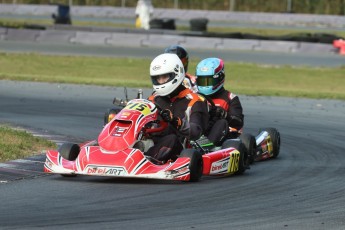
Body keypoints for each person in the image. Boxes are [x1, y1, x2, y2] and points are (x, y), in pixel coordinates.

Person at [145, 53, 209, 163]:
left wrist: (176, 121)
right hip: (153, 143)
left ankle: (145, 161)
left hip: (181, 149)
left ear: (177, 73)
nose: (161, 81)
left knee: (171, 138)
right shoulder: (153, 99)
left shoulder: (195, 101)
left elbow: (196, 132)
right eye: (157, 78)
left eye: (164, 77)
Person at [195, 57, 244, 146]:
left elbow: (239, 122)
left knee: (222, 122)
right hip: (199, 133)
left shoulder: (230, 98)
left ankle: (206, 147)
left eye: (209, 81)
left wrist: (224, 115)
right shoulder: (194, 97)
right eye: (202, 81)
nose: (205, 85)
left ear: (220, 78)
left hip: (222, 137)